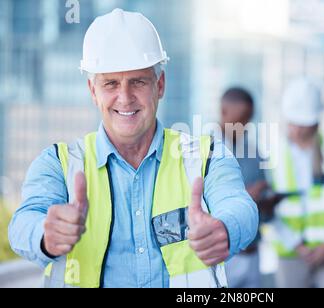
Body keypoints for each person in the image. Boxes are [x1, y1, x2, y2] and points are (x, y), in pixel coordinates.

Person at [8, 8, 258, 288]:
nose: (125, 98)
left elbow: (240, 206)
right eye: (111, 83)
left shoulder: (207, 156)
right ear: (93, 91)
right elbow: (22, 223)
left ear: (159, 85)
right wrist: (46, 234)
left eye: (138, 81)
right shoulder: (59, 163)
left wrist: (224, 229)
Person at [271, 78, 324, 288]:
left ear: (316, 123)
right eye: (293, 123)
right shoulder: (273, 153)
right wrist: (296, 245)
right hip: (291, 254)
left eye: (303, 125)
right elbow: (268, 207)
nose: (297, 130)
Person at [219, 87, 281, 288]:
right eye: (240, 118)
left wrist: (268, 205)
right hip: (221, 258)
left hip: (253, 253)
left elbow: (265, 213)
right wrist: (246, 197)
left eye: (248, 119)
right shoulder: (201, 151)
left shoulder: (255, 153)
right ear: (223, 112)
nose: (244, 125)